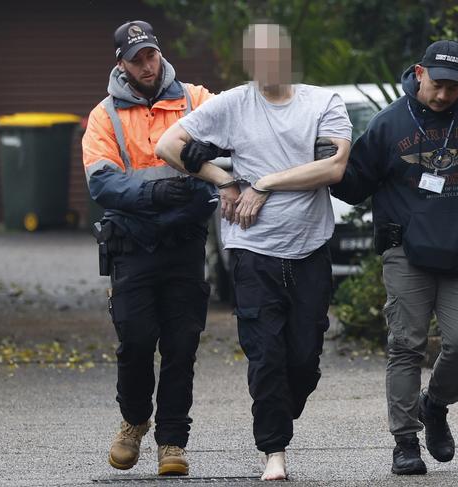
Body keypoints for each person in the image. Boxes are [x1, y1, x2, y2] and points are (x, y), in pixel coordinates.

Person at [329, 40, 458, 475]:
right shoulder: (389, 125)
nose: (444, 95)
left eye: (454, 88)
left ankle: (436, 405)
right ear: (419, 73)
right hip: (406, 250)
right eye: (438, 85)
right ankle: (405, 442)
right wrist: (328, 161)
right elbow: (352, 186)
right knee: (406, 344)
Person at [155, 22, 352, 480]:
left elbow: (333, 167)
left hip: (309, 250)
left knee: (303, 360)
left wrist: (263, 182)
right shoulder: (232, 104)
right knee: (265, 356)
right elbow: (168, 145)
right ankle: (273, 453)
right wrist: (225, 180)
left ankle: (285, 408)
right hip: (252, 251)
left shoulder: (323, 103)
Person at [82, 20, 218, 476]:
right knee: (136, 341)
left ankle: (173, 442)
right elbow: (102, 182)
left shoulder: (196, 100)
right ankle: (135, 419)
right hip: (133, 247)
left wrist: (190, 192)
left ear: (159, 54)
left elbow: (226, 150)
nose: (147, 65)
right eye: (136, 58)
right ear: (121, 62)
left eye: (151, 55)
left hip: (184, 244)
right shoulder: (104, 116)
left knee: (182, 345)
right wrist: (155, 195)